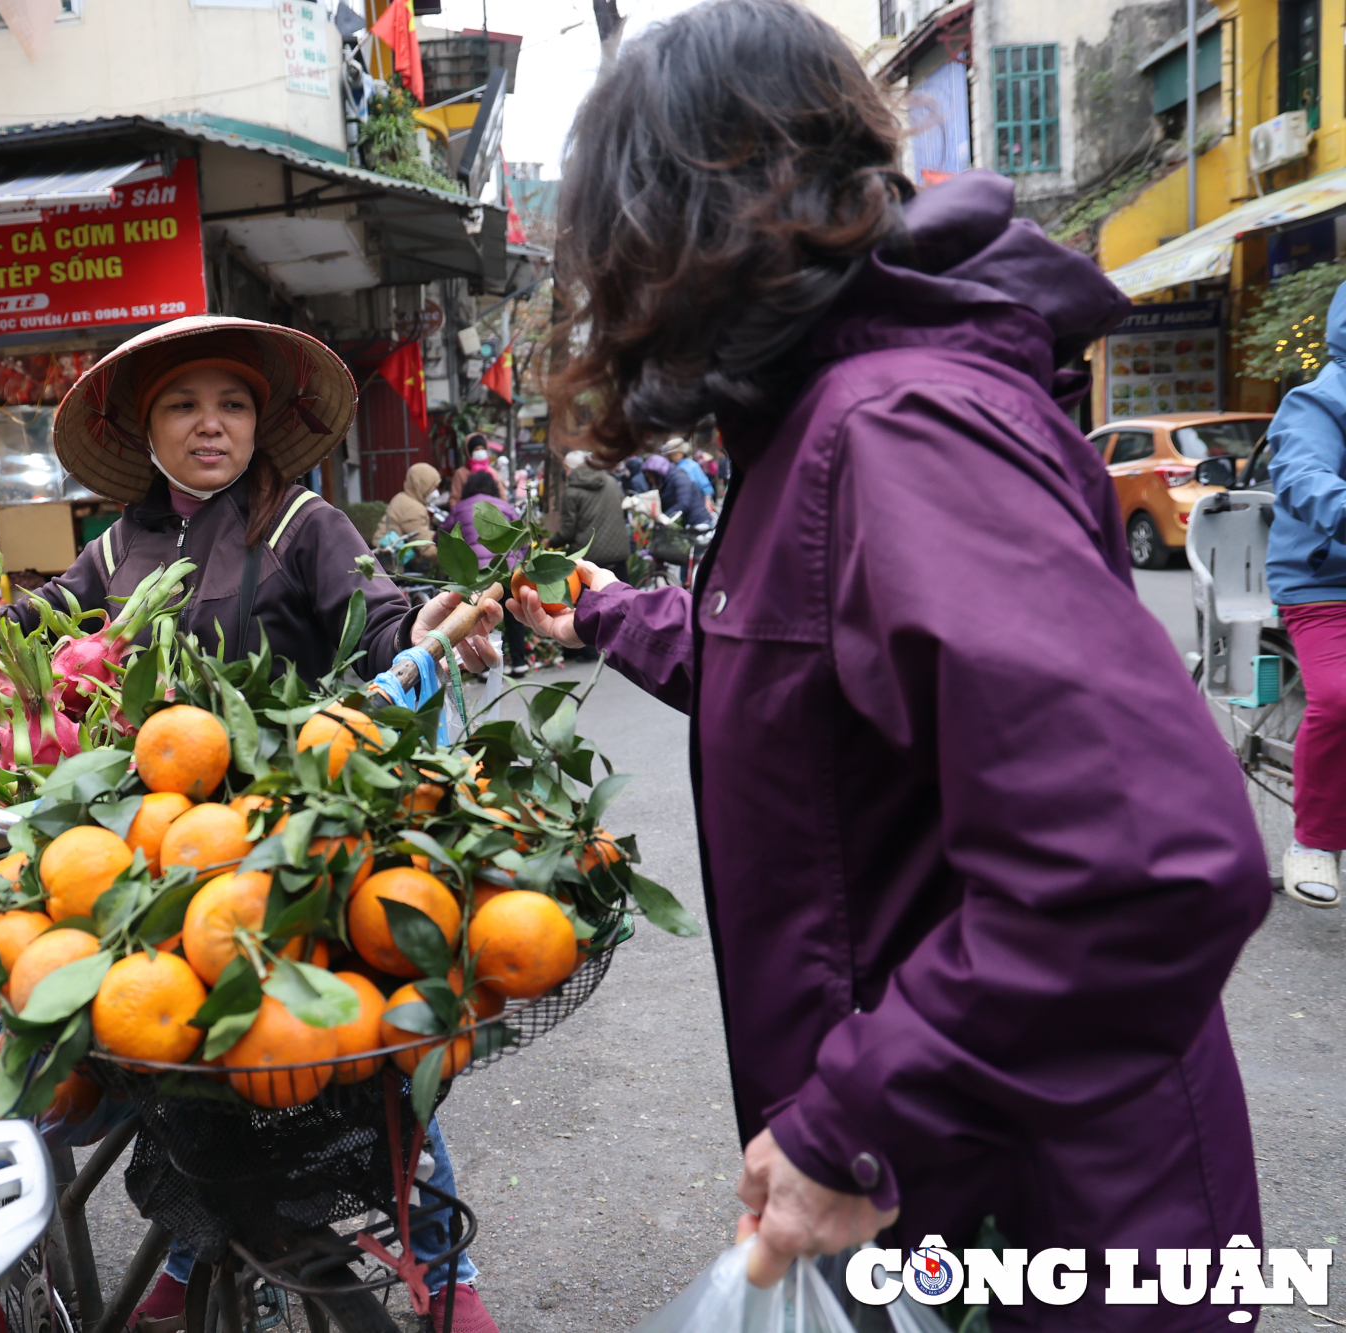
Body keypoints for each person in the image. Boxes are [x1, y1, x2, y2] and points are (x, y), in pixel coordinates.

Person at [513, 2, 1269, 1324]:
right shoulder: (821, 417)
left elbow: (1137, 860)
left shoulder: (897, 428)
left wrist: (857, 1117)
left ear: (680, 221)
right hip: (966, 1193)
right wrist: (610, 618)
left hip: (1058, 1221)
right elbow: (813, 681)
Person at [21, 315, 504, 1331]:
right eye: (183, 405)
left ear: (262, 422)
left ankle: (442, 1271)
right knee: (194, 1064)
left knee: (358, 1051)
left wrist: (423, 631)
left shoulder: (304, 528)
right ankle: (196, 1245)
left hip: (298, 845)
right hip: (151, 857)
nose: (211, 425)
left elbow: (377, 618)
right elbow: (38, 643)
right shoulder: (110, 550)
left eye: (231, 403)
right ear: (141, 428)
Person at [1259, 280, 1346, 908]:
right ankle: (1314, 841)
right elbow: (1304, 474)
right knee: (1341, 701)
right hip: (1323, 581)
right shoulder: (1316, 400)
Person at [445, 470, 530, 676]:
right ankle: (519, 662)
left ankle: (483, 667)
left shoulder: (459, 509)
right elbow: (522, 536)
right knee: (512, 615)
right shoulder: (504, 506)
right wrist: (517, 561)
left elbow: (444, 536)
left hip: (476, 574)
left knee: (480, 619)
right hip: (506, 569)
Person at [554, 449, 632, 585]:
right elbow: (624, 513)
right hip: (619, 554)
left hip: (589, 559)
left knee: (591, 603)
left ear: (570, 469)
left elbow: (568, 530)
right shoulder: (611, 481)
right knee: (622, 601)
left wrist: (550, 542)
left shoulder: (572, 491)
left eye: (565, 469)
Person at [371, 461, 442, 560]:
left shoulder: (402, 498)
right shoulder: (413, 508)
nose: (436, 492)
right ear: (421, 485)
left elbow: (419, 532)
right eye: (433, 487)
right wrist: (453, 563)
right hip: (392, 558)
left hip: (383, 551)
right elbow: (426, 548)